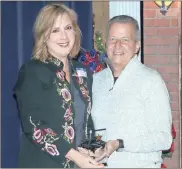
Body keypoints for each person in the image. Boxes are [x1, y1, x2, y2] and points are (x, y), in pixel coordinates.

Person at [14, 3, 103, 168]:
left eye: (68, 28)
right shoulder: (32, 71)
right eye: (55, 30)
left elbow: (86, 122)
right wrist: (75, 156)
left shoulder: (82, 72)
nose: (64, 37)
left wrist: (87, 150)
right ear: (44, 36)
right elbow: (34, 126)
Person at [89, 15, 172, 168]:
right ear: (106, 43)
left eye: (125, 39)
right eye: (113, 39)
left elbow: (164, 139)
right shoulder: (96, 80)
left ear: (137, 45)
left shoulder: (151, 81)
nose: (117, 45)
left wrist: (120, 143)